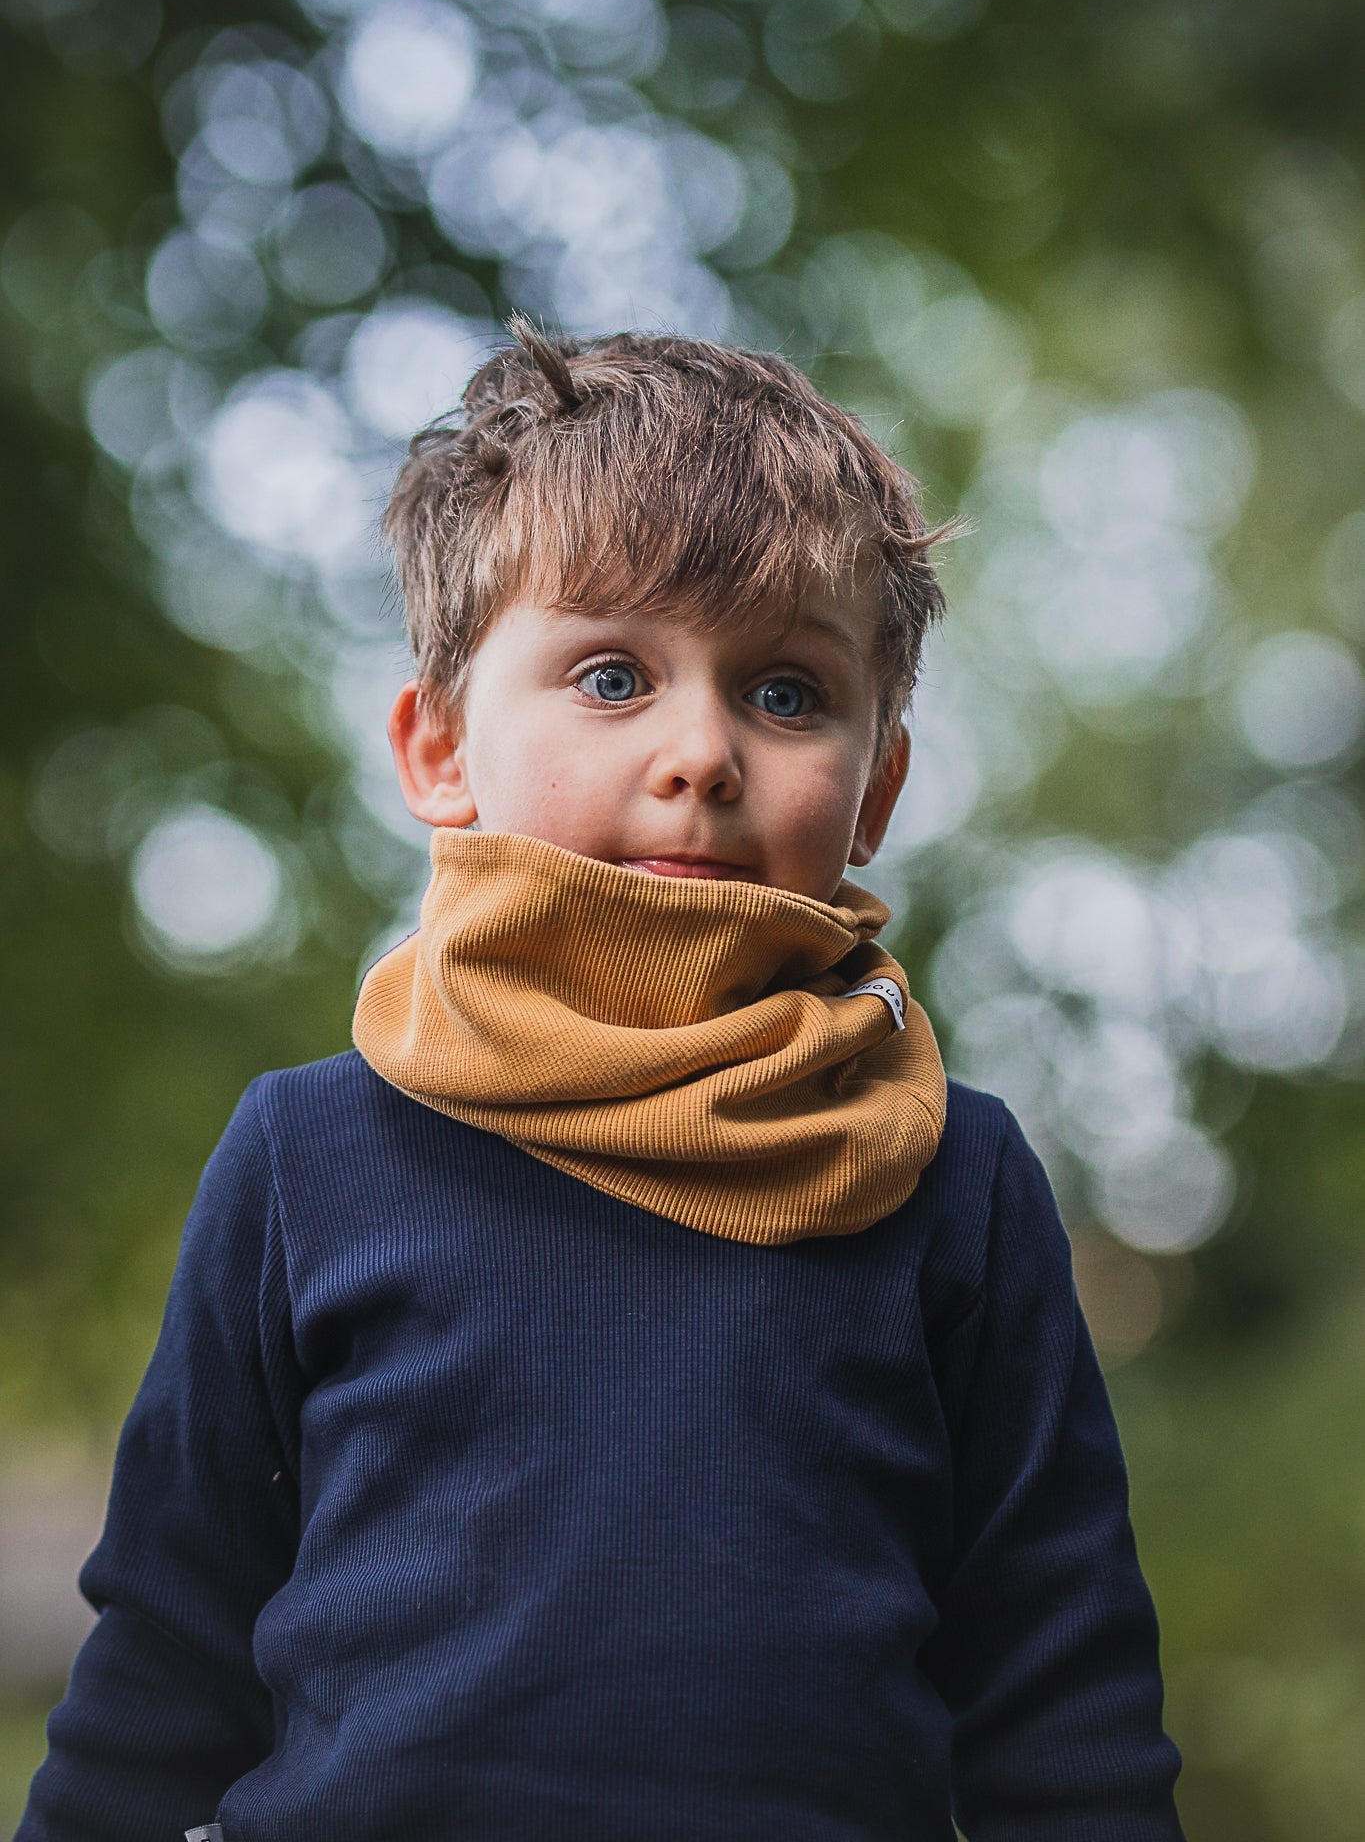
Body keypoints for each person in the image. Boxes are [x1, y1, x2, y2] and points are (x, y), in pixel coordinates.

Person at [18, 322, 1186, 1841]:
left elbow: (1063, 1710)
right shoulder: (306, 1154)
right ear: (438, 748)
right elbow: (165, 1665)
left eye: (783, 693)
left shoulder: (949, 1180)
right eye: (613, 674)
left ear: (876, 785)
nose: (700, 749)